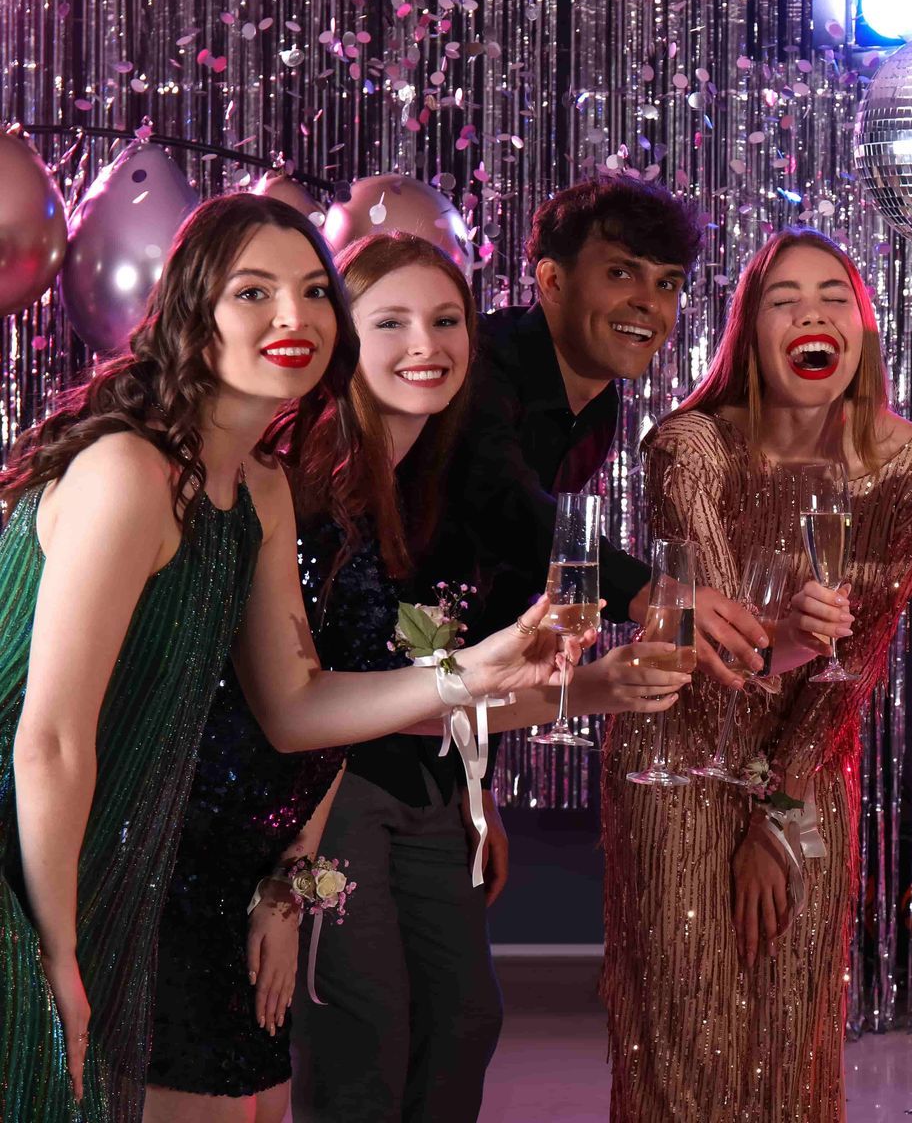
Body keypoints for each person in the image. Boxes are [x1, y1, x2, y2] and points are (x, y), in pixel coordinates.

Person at [0, 194, 569, 1123]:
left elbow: (295, 707)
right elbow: (50, 742)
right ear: (191, 313)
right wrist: (55, 957)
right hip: (34, 869)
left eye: (311, 290)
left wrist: (478, 670)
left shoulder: (256, 486)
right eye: (253, 292)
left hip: (153, 869)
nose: (294, 317)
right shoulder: (127, 473)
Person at [145, 232, 685, 1123]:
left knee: (464, 1024)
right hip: (310, 800)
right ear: (343, 337)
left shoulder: (433, 476)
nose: (425, 346)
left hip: (420, 784)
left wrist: (583, 694)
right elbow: (302, 703)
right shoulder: (303, 479)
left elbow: (430, 683)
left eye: (446, 321)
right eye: (389, 322)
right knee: (364, 1038)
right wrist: (287, 879)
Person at [295, 179, 759, 1122]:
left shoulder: (590, 414)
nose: (648, 303)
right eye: (621, 273)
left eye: (667, 284)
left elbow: (481, 597)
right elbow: (507, 514)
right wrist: (654, 592)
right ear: (546, 281)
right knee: (368, 1031)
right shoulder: (483, 372)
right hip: (341, 749)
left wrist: (481, 786)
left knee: (461, 1025)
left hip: (436, 741)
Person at [600, 227, 912, 1121]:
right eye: (783, 298)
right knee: (688, 1031)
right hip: (675, 760)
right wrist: (786, 638)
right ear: (750, 331)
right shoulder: (690, 447)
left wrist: (781, 809)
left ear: (863, 328)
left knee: (790, 1039)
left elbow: (857, 662)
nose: (812, 313)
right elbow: (717, 645)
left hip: (807, 762)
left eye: (835, 296)